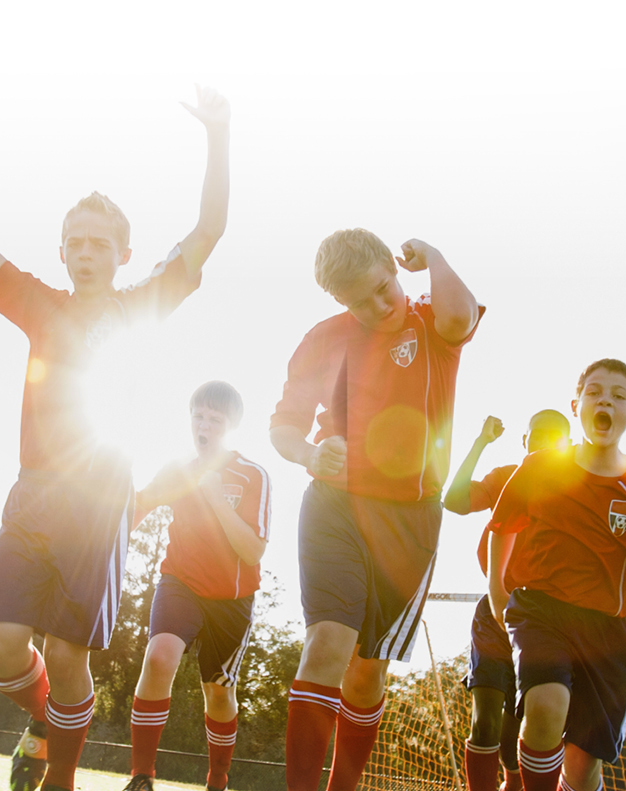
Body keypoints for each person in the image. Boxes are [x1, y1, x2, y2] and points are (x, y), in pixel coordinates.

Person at [0, 87, 231, 791]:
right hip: (34, 493)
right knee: (2, 647)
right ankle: (41, 720)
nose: (87, 252)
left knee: (69, 653)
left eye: (101, 243)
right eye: (76, 242)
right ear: (61, 251)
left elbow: (209, 230)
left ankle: (58, 778)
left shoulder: (140, 306)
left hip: (100, 503)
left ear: (125, 253)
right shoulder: (40, 304)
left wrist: (218, 133)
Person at [270, 228, 482, 791]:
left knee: (367, 672)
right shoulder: (323, 340)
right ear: (341, 302)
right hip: (336, 506)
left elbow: (462, 318)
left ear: (395, 268)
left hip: (411, 521)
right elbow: (283, 428)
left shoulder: (431, 323)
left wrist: (433, 255)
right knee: (327, 645)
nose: (378, 305)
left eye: (383, 288)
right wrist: (310, 454)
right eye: (359, 301)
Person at [487, 359, 626, 791]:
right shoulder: (541, 467)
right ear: (576, 406)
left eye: (617, 395)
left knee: (582, 764)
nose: (604, 400)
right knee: (545, 704)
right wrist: (498, 592)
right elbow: (503, 526)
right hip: (540, 609)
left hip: (606, 629)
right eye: (594, 392)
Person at [123, 381, 272, 791]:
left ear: (232, 426)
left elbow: (253, 550)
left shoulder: (253, 475)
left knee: (219, 694)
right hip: (181, 583)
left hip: (231, 599)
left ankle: (218, 779)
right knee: (159, 657)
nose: (204, 425)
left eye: (215, 419)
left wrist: (216, 498)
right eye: (198, 416)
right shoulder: (177, 469)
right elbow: (135, 508)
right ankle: (141, 776)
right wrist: (97, 540)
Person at [444, 411, 571, 791]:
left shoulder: (579, 490)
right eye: (538, 436)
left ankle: (514, 782)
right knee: (485, 718)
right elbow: (454, 501)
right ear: (524, 441)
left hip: (546, 621)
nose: (546, 443)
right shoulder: (507, 478)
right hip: (495, 611)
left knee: (524, 723)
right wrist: (481, 442)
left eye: (555, 438)